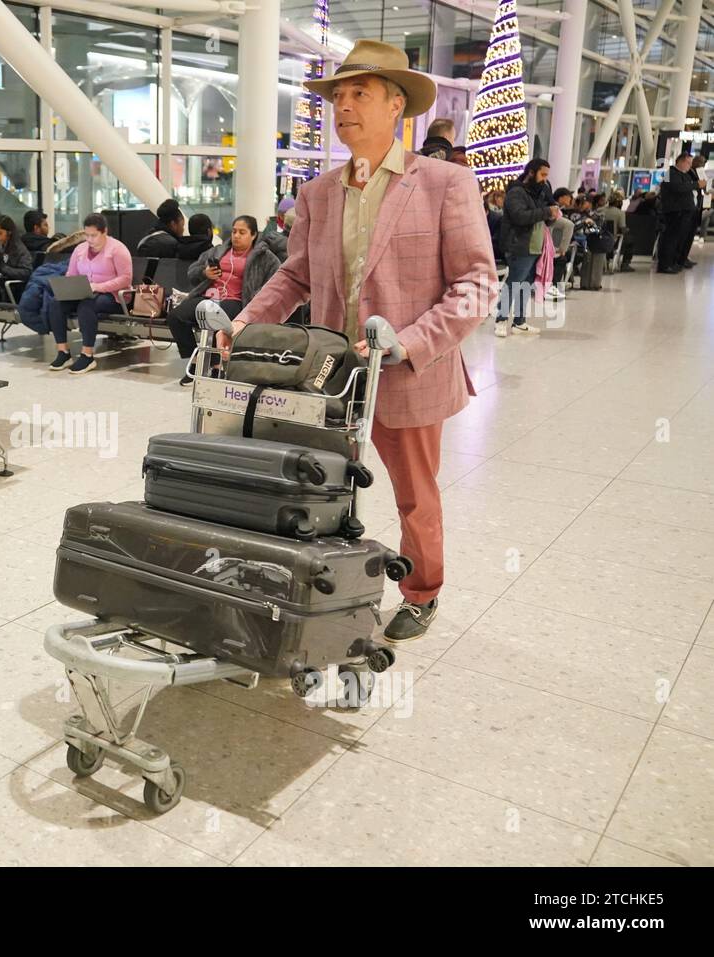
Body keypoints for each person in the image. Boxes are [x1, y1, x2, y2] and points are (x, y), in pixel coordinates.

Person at [216, 39, 497, 643]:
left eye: (359, 94)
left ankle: (421, 590)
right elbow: (295, 276)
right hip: (327, 378)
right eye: (338, 95)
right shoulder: (318, 193)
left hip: (408, 372)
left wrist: (410, 342)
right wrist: (243, 324)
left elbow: (477, 285)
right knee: (317, 481)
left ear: (397, 106)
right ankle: (321, 581)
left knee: (415, 496)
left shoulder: (445, 183)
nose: (343, 105)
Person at [167, 215, 280, 385]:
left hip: (236, 300)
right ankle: (196, 360)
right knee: (176, 316)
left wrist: (256, 297)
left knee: (215, 319)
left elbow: (275, 282)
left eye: (242, 232)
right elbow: (192, 271)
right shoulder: (217, 251)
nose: (236, 236)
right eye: (234, 231)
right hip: (208, 296)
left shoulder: (265, 257)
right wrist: (204, 273)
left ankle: (215, 365)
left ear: (254, 235)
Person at [47, 213, 132, 375]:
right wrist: (69, 287)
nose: (90, 239)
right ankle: (63, 352)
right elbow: (71, 274)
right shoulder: (80, 250)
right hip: (85, 292)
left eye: (94, 235)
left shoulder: (117, 249)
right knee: (56, 303)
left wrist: (98, 287)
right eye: (87, 235)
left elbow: (125, 279)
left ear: (104, 232)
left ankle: (87, 355)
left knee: (88, 305)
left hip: (114, 297)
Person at [495, 158, 560, 337]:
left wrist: (552, 214)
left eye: (547, 175)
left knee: (525, 285)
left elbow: (544, 218)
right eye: (542, 174)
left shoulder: (539, 192)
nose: (545, 179)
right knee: (514, 283)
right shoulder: (516, 192)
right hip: (519, 246)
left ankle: (519, 322)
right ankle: (501, 320)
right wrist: (546, 212)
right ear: (531, 172)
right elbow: (520, 217)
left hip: (535, 247)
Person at [657, 153, 702, 273]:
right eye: (688, 163)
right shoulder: (670, 174)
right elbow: (678, 188)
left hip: (686, 212)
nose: (690, 166)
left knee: (681, 239)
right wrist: (696, 184)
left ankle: (677, 261)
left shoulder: (685, 175)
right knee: (671, 238)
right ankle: (665, 265)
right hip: (675, 212)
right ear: (681, 162)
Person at [136, 199, 214, 260]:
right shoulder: (171, 244)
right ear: (173, 224)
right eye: (182, 226)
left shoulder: (149, 236)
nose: (183, 230)